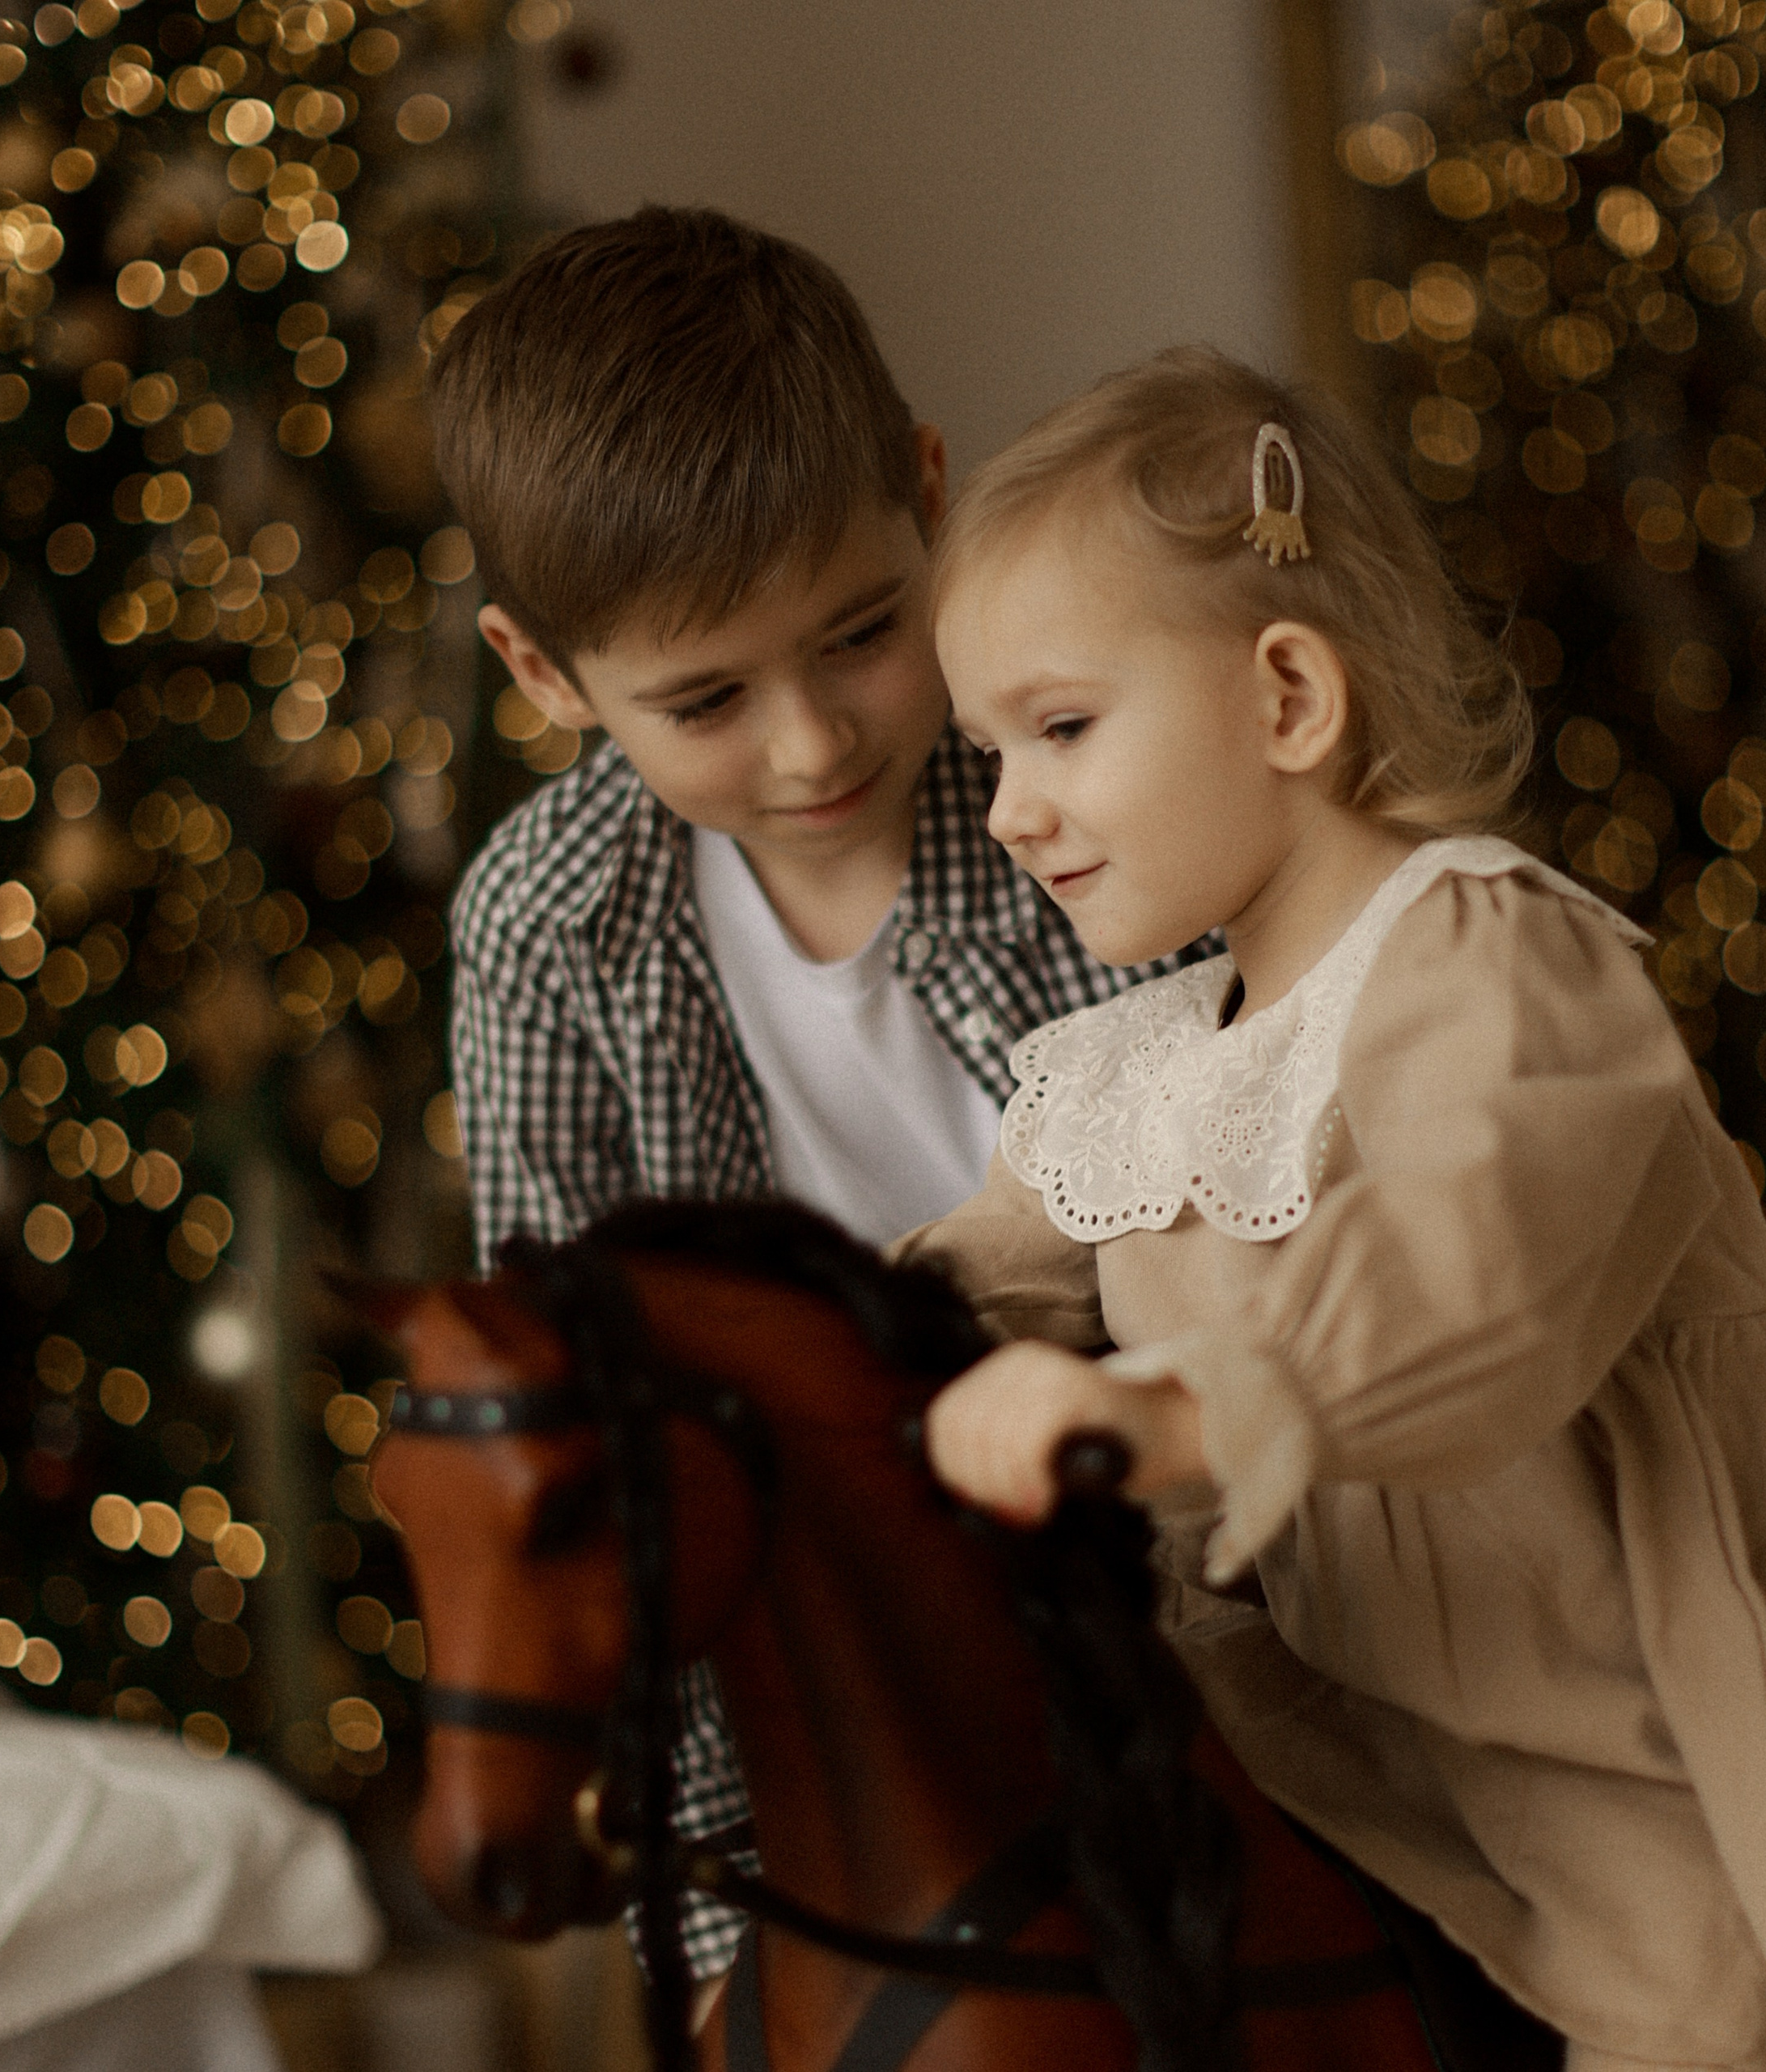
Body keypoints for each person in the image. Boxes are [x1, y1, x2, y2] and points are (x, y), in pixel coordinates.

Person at [906, 345, 1766, 2072]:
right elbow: (956, 1287)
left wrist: (1174, 1400)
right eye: (987, 749)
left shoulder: (1489, 957)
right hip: (1346, 1719)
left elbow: (1473, 1265)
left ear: (1289, 696)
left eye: (1058, 726)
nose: (1007, 810)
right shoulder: (1125, 1068)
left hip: (1643, 1718)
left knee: (1713, 2008)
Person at [427, 207, 1202, 1989]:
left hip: (1174, 1517)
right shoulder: (549, 926)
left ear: (928, 495)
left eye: (861, 635)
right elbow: (601, 1439)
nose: (812, 742)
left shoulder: (1075, 780)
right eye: (703, 697)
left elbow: (1237, 1193)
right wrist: (710, 1922)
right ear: (546, 675)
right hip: (844, 1638)